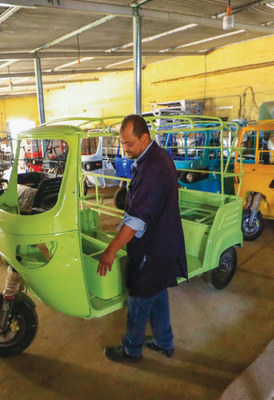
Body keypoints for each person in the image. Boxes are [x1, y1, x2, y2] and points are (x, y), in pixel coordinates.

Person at [98, 114, 187, 362]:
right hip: (164, 242)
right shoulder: (157, 157)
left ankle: (131, 349)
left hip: (153, 247)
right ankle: (163, 341)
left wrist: (111, 250)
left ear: (144, 138)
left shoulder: (153, 168)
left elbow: (137, 220)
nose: (124, 149)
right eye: (122, 143)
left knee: (138, 297)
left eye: (128, 144)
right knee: (157, 292)